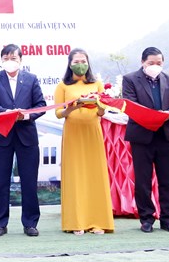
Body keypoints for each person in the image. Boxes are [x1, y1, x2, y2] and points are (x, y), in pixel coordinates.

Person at [0, 44, 46, 237]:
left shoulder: (31, 79)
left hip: (26, 135)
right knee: (0, 182)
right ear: (1, 60)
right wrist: (8, 113)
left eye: (14, 58)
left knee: (29, 181)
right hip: (1, 136)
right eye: (6, 58)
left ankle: (30, 223)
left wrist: (25, 116)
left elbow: (41, 106)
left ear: (21, 60)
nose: (10, 61)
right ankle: (0, 224)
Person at [122, 47, 169, 233]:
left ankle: (167, 218)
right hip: (142, 136)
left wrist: (167, 113)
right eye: (151, 63)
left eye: (159, 63)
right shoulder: (130, 79)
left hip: (165, 136)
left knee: (168, 180)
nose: (155, 66)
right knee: (143, 180)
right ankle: (146, 219)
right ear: (142, 62)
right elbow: (131, 104)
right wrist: (153, 116)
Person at [54, 48, 114, 235]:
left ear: (88, 63)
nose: (80, 64)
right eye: (76, 61)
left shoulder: (97, 84)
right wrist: (73, 107)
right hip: (73, 133)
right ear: (70, 64)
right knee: (75, 176)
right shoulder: (63, 86)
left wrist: (99, 105)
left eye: (83, 61)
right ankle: (76, 222)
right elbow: (58, 113)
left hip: (93, 132)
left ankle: (98, 221)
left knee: (95, 175)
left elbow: (103, 111)